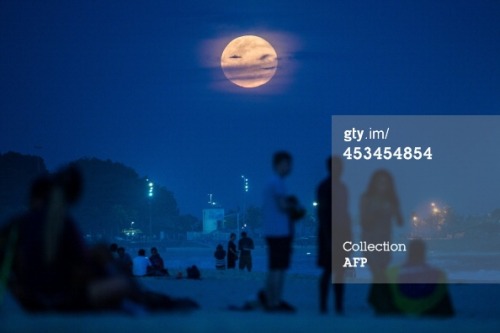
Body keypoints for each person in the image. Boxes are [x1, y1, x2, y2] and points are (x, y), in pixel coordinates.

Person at [4, 165, 198, 313]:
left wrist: (20, 293)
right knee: (118, 280)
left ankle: (150, 301)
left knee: (103, 259)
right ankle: (153, 302)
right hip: (61, 299)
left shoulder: (15, 226)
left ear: (32, 199)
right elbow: (80, 266)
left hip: (33, 300)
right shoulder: (59, 223)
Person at [360, 169, 403, 310]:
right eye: (380, 182)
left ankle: (375, 300)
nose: (382, 185)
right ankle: (385, 303)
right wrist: (376, 212)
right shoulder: (366, 198)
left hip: (385, 242)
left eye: (386, 182)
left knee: (380, 272)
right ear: (374, 183)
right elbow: (363, 222)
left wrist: (395, 210)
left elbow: (400, 221)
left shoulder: (391, 200)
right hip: (370, 241)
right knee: (378, 272)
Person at [261, 151, 299, 312]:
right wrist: (296, 207)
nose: (289, 167)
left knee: (273, 268)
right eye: (286, 164)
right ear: (278, 164)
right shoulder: (277, 182)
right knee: (279, 268)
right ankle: (274, 302)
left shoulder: (272, 182)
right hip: (279, 232)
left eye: (289, 164)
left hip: (272, 231)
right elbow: (282, 206)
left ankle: (271, 301)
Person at [317, 156, 352, 314]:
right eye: (336, 166)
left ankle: (339, 306)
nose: (339, 169)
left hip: (342, 233)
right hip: (328, 234)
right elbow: (322, 215)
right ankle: (324, 306)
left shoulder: (343, 188)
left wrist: (349, 236)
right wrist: (327, 238)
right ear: (330, 168)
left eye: (340, 166)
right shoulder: (324, 187)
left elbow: (345, 213)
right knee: (328, 270)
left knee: (340, 271)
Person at [385, 239, 454, 317]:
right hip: (429, 310)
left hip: (401, 309)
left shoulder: (392, 272)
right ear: (423, 253)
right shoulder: (439, 274)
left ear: (408, 252)